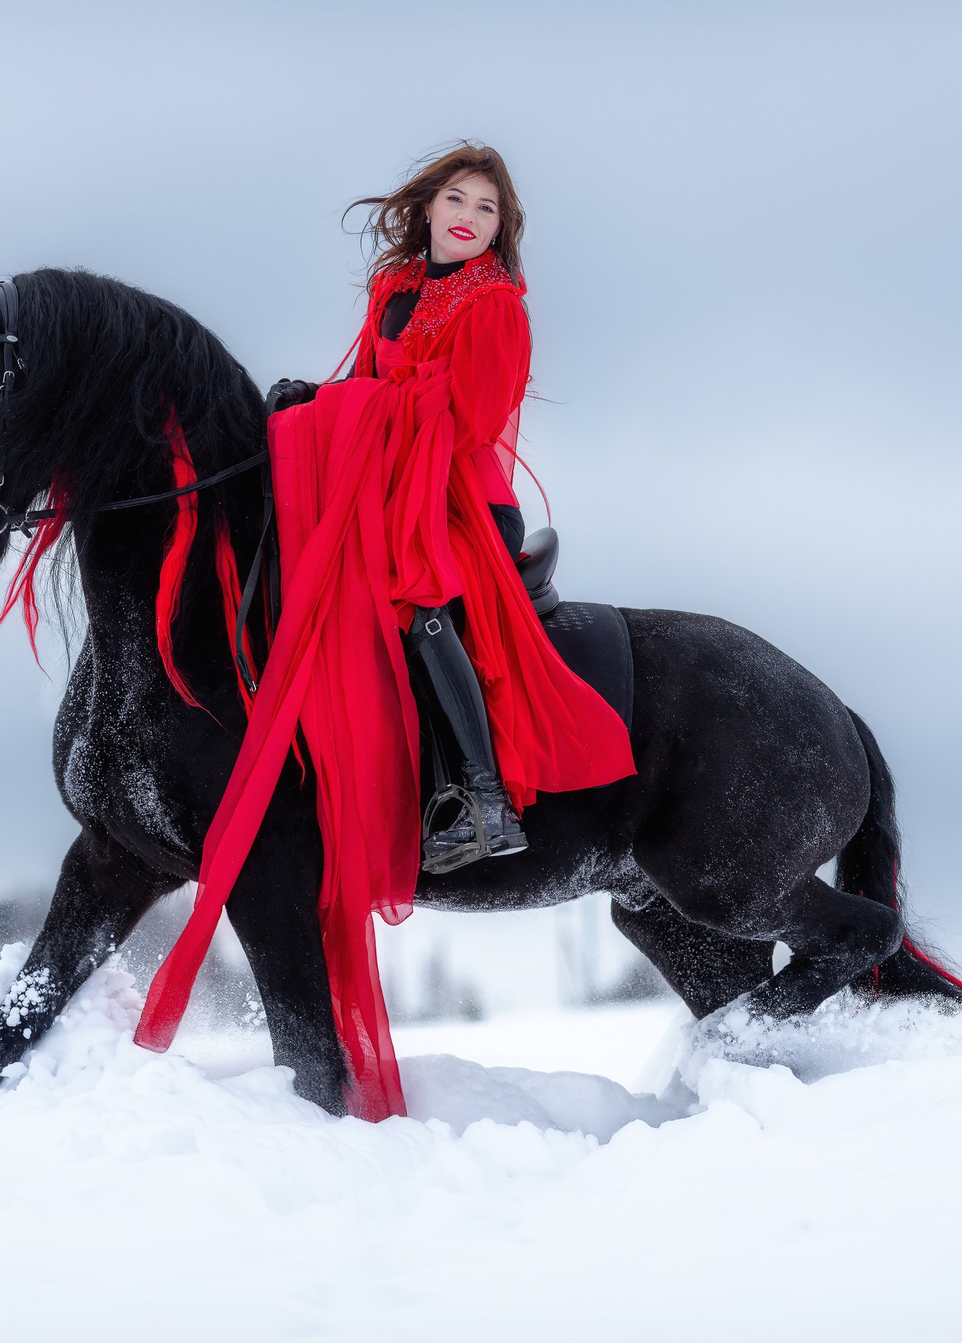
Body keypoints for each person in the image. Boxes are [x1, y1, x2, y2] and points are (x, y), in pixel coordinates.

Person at [138, 142, 636, 1119]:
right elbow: (370, 382)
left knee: (413, 603)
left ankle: (480, 794)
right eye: (456, 198)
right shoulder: (397, 288)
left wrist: (350, 413)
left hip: (453, 496)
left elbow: (469, 417)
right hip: (381, 485)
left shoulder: (495, 307)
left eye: (485, 208)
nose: (467, 216)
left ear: (502, 229)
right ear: (428, 208)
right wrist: (315, 402)